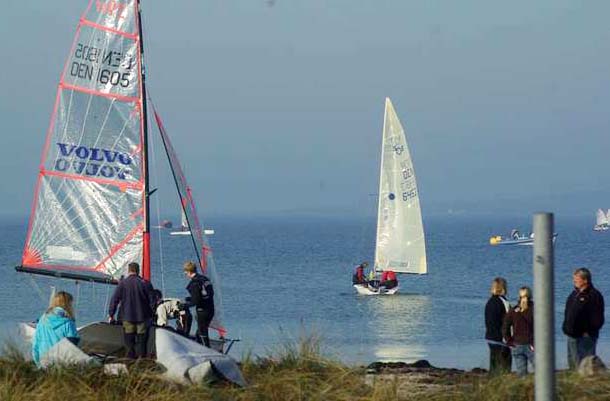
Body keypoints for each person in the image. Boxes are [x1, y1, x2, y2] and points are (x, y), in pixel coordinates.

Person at [108, 262, 155, 359]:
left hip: (127, 318)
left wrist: (111, 314)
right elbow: (153, 302)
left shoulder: (123, 283)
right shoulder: (146, 283)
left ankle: (130, 363)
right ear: (138, 271)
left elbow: (114, 300)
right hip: (143, 317)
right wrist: (152, 315)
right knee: (142, 343)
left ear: (128, 271)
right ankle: (141, 363)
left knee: (129, 343)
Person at [562, 267, 605, 369]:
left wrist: (588, 331)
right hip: (571, 335)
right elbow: (569, 312)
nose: (574, 281)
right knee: (573, 365)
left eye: (577, 279)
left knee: (585, 366)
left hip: (585, 337)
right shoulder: (574, 294)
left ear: (585, 280)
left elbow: (597, 318)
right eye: (574, 278)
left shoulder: (594, 295)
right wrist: (566, 327)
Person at [32, 291, 79, 366]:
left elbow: (35, 344)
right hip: (61, 365)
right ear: (68, 304)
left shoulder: (43, 319)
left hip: (43, 362)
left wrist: (38, 364)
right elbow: (72, 347)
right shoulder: (68, 322)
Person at [503, 286, 534, 376]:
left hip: (517, 344)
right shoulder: (535, 309)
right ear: (530, 296)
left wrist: (509, 341)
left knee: (521, 374)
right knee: (541, 372)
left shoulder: (513, 310)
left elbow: (505, 327)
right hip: (532, 344)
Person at [183, 261, 215, 347]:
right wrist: (191, 298)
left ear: (189, 271)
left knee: (202, 332)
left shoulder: (194, 283)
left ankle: (207, 350)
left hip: (202, 311)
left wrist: (184, 305)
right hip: (211, 309)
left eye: (185, 272)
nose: (185, 274)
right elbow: (209, 293)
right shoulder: (205, 279)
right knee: (200, 332)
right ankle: (199, 347)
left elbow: (195, 301)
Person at [485, 277, 511, 375]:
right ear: (504, 288)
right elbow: (509, 321)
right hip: (501, 339)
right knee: (505, 367)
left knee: (494, 366)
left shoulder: (489, 302)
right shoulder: (504, 302)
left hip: (490, 337)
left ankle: (492, 385)